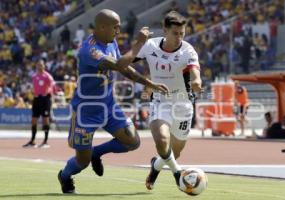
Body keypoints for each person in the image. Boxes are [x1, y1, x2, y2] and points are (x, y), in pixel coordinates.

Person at [57, 9, 169, 194]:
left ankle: (96, 153)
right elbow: (119, 65)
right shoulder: (90, 50)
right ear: (102, 27)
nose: (118, 31)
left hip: (108, 106)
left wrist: (149, 83)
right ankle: (65, 176)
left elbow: (124, 69)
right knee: (82, 162)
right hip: (86, 111)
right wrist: (140, 42)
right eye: (115, 28)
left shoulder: (110, 42)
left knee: (132, 141)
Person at [134, 11, 202, 190]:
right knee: (163, 142)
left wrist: (197, 82)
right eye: (175, 33)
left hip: (183, 105)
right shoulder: (150, 46)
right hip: (160, 101)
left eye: (182, 33)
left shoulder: (188, 50)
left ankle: (155, 167)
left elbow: (195, 73)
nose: (179, 37)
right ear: (164, 30)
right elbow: (126, 59)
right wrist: (139, 41)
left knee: (174, 152)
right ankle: (178, 174)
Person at [23, 59, 55, 148]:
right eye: (38, 65)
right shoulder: (34, 76)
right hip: (36, 99)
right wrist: (33, 92)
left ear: (44, 66)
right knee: (34, 119)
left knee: (45, 119)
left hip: (45, 99)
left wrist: (48, 91)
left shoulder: (47, 76)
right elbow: (34, 86)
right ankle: (32, 141)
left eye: (41, 65)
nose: (39, 66)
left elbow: (52, 85)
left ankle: (45, 141)